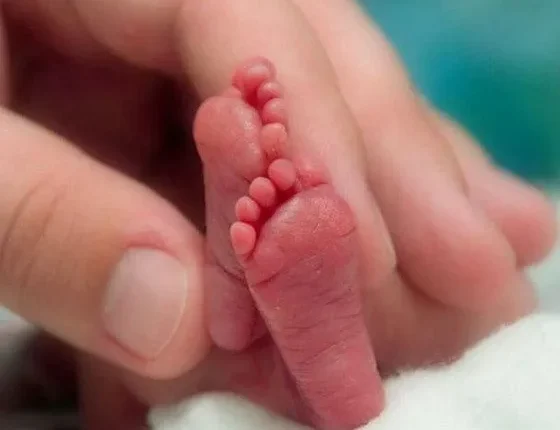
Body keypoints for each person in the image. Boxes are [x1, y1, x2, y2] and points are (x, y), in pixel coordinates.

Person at [0, 0, 556, 429]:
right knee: (468, 282)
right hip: (397, 190)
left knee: (157, 354)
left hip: (197, 271)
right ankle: (303, 344)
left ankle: (244, 302)